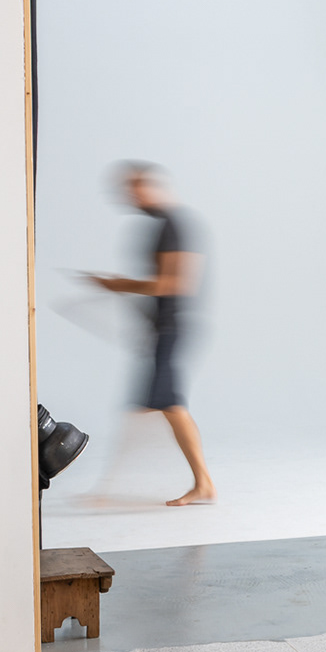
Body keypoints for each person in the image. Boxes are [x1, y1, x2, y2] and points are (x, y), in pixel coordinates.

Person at [86, 163, 215, 506]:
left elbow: (174, 283)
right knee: (158, 406)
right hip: (163, 328)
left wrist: (118, 284)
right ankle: (199, 483)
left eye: (133, 190)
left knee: (166, 405)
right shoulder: (164, 225)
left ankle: (201, 483)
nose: (129, 197)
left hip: (173, 328)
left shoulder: (173, 225)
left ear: (149, 187)